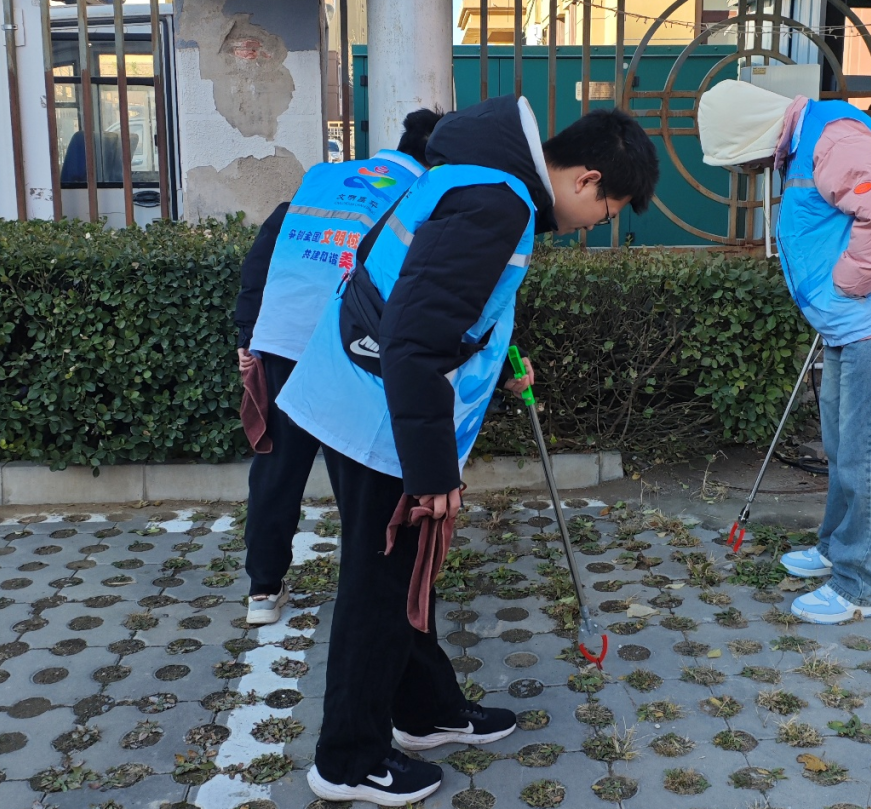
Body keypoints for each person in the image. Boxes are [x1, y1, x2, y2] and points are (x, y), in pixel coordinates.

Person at [276, 94, 659, 806]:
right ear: (588, 179)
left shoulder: (484, 179)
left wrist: (499, 351)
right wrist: (433, 474)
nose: (595, 225)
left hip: (364, 391)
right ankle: (348, 758)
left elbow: (442, 296)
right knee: (379, 588)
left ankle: (425, 711)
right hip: (377, 414)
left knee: (400, 578)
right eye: (607, 211)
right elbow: (414, 338)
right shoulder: (497, 203)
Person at [696, 80, 871, 625]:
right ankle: (837, 548)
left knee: (869, 454)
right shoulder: (805, 143)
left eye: (743, 161)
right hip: (852, 321)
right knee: (844, 445)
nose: (748, 171)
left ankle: (860, 586)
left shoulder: (832, 139)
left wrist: (846, 285)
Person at [233, 108, 443, 626]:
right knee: (361, 477)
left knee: (279, 469)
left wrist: (248, 334)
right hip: (350, 345)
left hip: (283, 337)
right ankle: (365, 590)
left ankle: (263, 590)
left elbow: (267, 250)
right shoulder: (422, 194)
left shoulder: (324, 177)